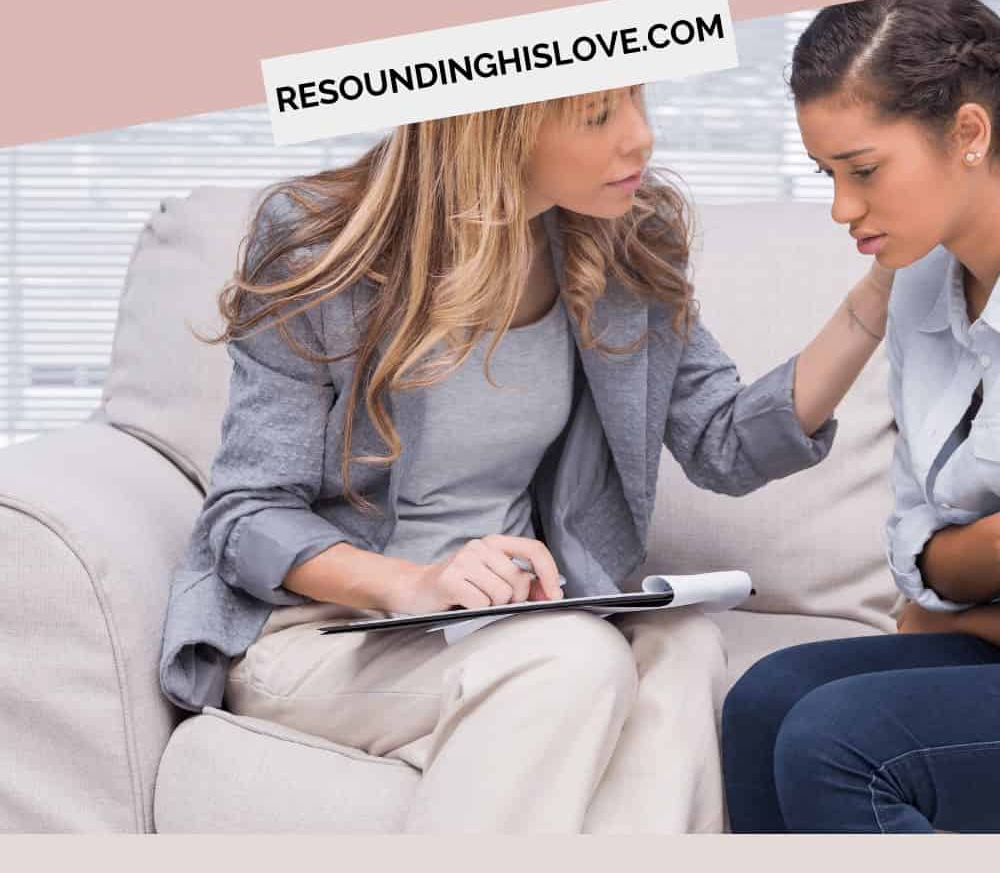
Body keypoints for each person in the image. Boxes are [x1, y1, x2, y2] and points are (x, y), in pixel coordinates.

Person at [159, 87, 889, 833]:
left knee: (682, 643)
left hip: (509, 624)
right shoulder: (324, 246)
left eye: (638, 101)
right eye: (599, 116)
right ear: (497, 124)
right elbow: (247, 515)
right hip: (330, 632)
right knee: (573, 658)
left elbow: (726, 443)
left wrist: (881, 294)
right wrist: (412, 583)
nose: (641, 138)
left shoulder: (621, 241)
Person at [722, 0, 1000, 835]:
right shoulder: (915, 286)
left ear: (968, 134)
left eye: (864, 170)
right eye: (828, 174)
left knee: (838, 740)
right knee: (766, 698)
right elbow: (919, 554)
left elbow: (942, 575)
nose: (843, 209)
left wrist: (961, 575)